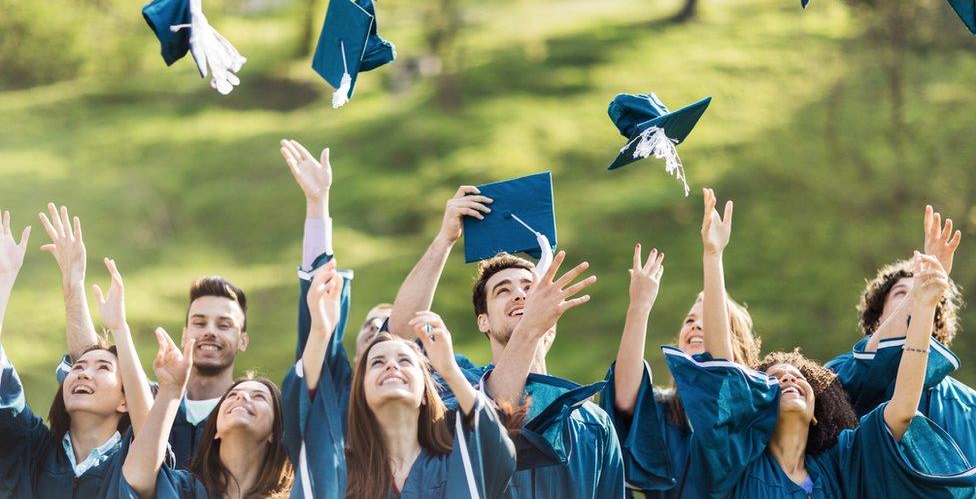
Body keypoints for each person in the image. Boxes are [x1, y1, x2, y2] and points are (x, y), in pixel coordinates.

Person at [670, 190, 976, 497]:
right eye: (774, 379)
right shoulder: (739, 462)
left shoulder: (841, 464)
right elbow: (723, 370)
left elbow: (902, 410)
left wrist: (923, 306)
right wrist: (713, 256)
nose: (788, 377)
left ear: (817, 409)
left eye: (798, 377)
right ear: (759, 406)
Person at [386, 186, 625, 498]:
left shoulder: (592, 423)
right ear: (483, 320)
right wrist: (445, 239)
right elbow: (402, 336)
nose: (520, 294)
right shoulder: (455, 394)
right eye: (502, 290)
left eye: (529, 287)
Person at [41, 202, 252, 469]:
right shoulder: (150, 399)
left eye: (224, 325)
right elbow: (90, 358)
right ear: (185, 333)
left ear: (244, 339)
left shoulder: (247, 410)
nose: (210, 331)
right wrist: (73, 283)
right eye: (200, 322)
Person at [282, 263, 517, 498]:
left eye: (405, 361)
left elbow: (498, 450)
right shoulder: (338, 470)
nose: (392, 365)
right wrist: (320, 332)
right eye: (377, 362)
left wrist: (449, 370)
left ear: (426, 391)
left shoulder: (459, 460)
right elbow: (303, 412)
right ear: (361, 391)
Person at [599, 190, 762, 496]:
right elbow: (623, 399)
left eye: (709, 320)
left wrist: (713, 256)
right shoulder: (662, 410)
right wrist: (639, 307)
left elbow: (720, 371)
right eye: (689, 320)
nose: (696, 325)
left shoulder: (749, 406)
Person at [0, 209, 154, 497]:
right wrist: (3, 281)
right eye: (78, 367)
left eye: (103, 368)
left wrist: (120, 329)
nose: (82, 371)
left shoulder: (132, 464)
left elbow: (150, 430)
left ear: (125, 400)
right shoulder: (31, 450)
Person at [826, 205, 976, 463]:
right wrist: (923, 287)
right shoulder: (838, 374)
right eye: (900, 294)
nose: (915, 296)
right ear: (879, 317)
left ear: (936, 321)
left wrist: (928, 296)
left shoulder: (967, 405)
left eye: (919, 292)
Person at [121, 329, 292, 498]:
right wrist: (170, 390)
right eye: (232, 395)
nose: (242, 395)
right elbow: (137, 478)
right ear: (215, 428)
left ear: (275, 431)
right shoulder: (184, 490)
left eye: (259, 397)